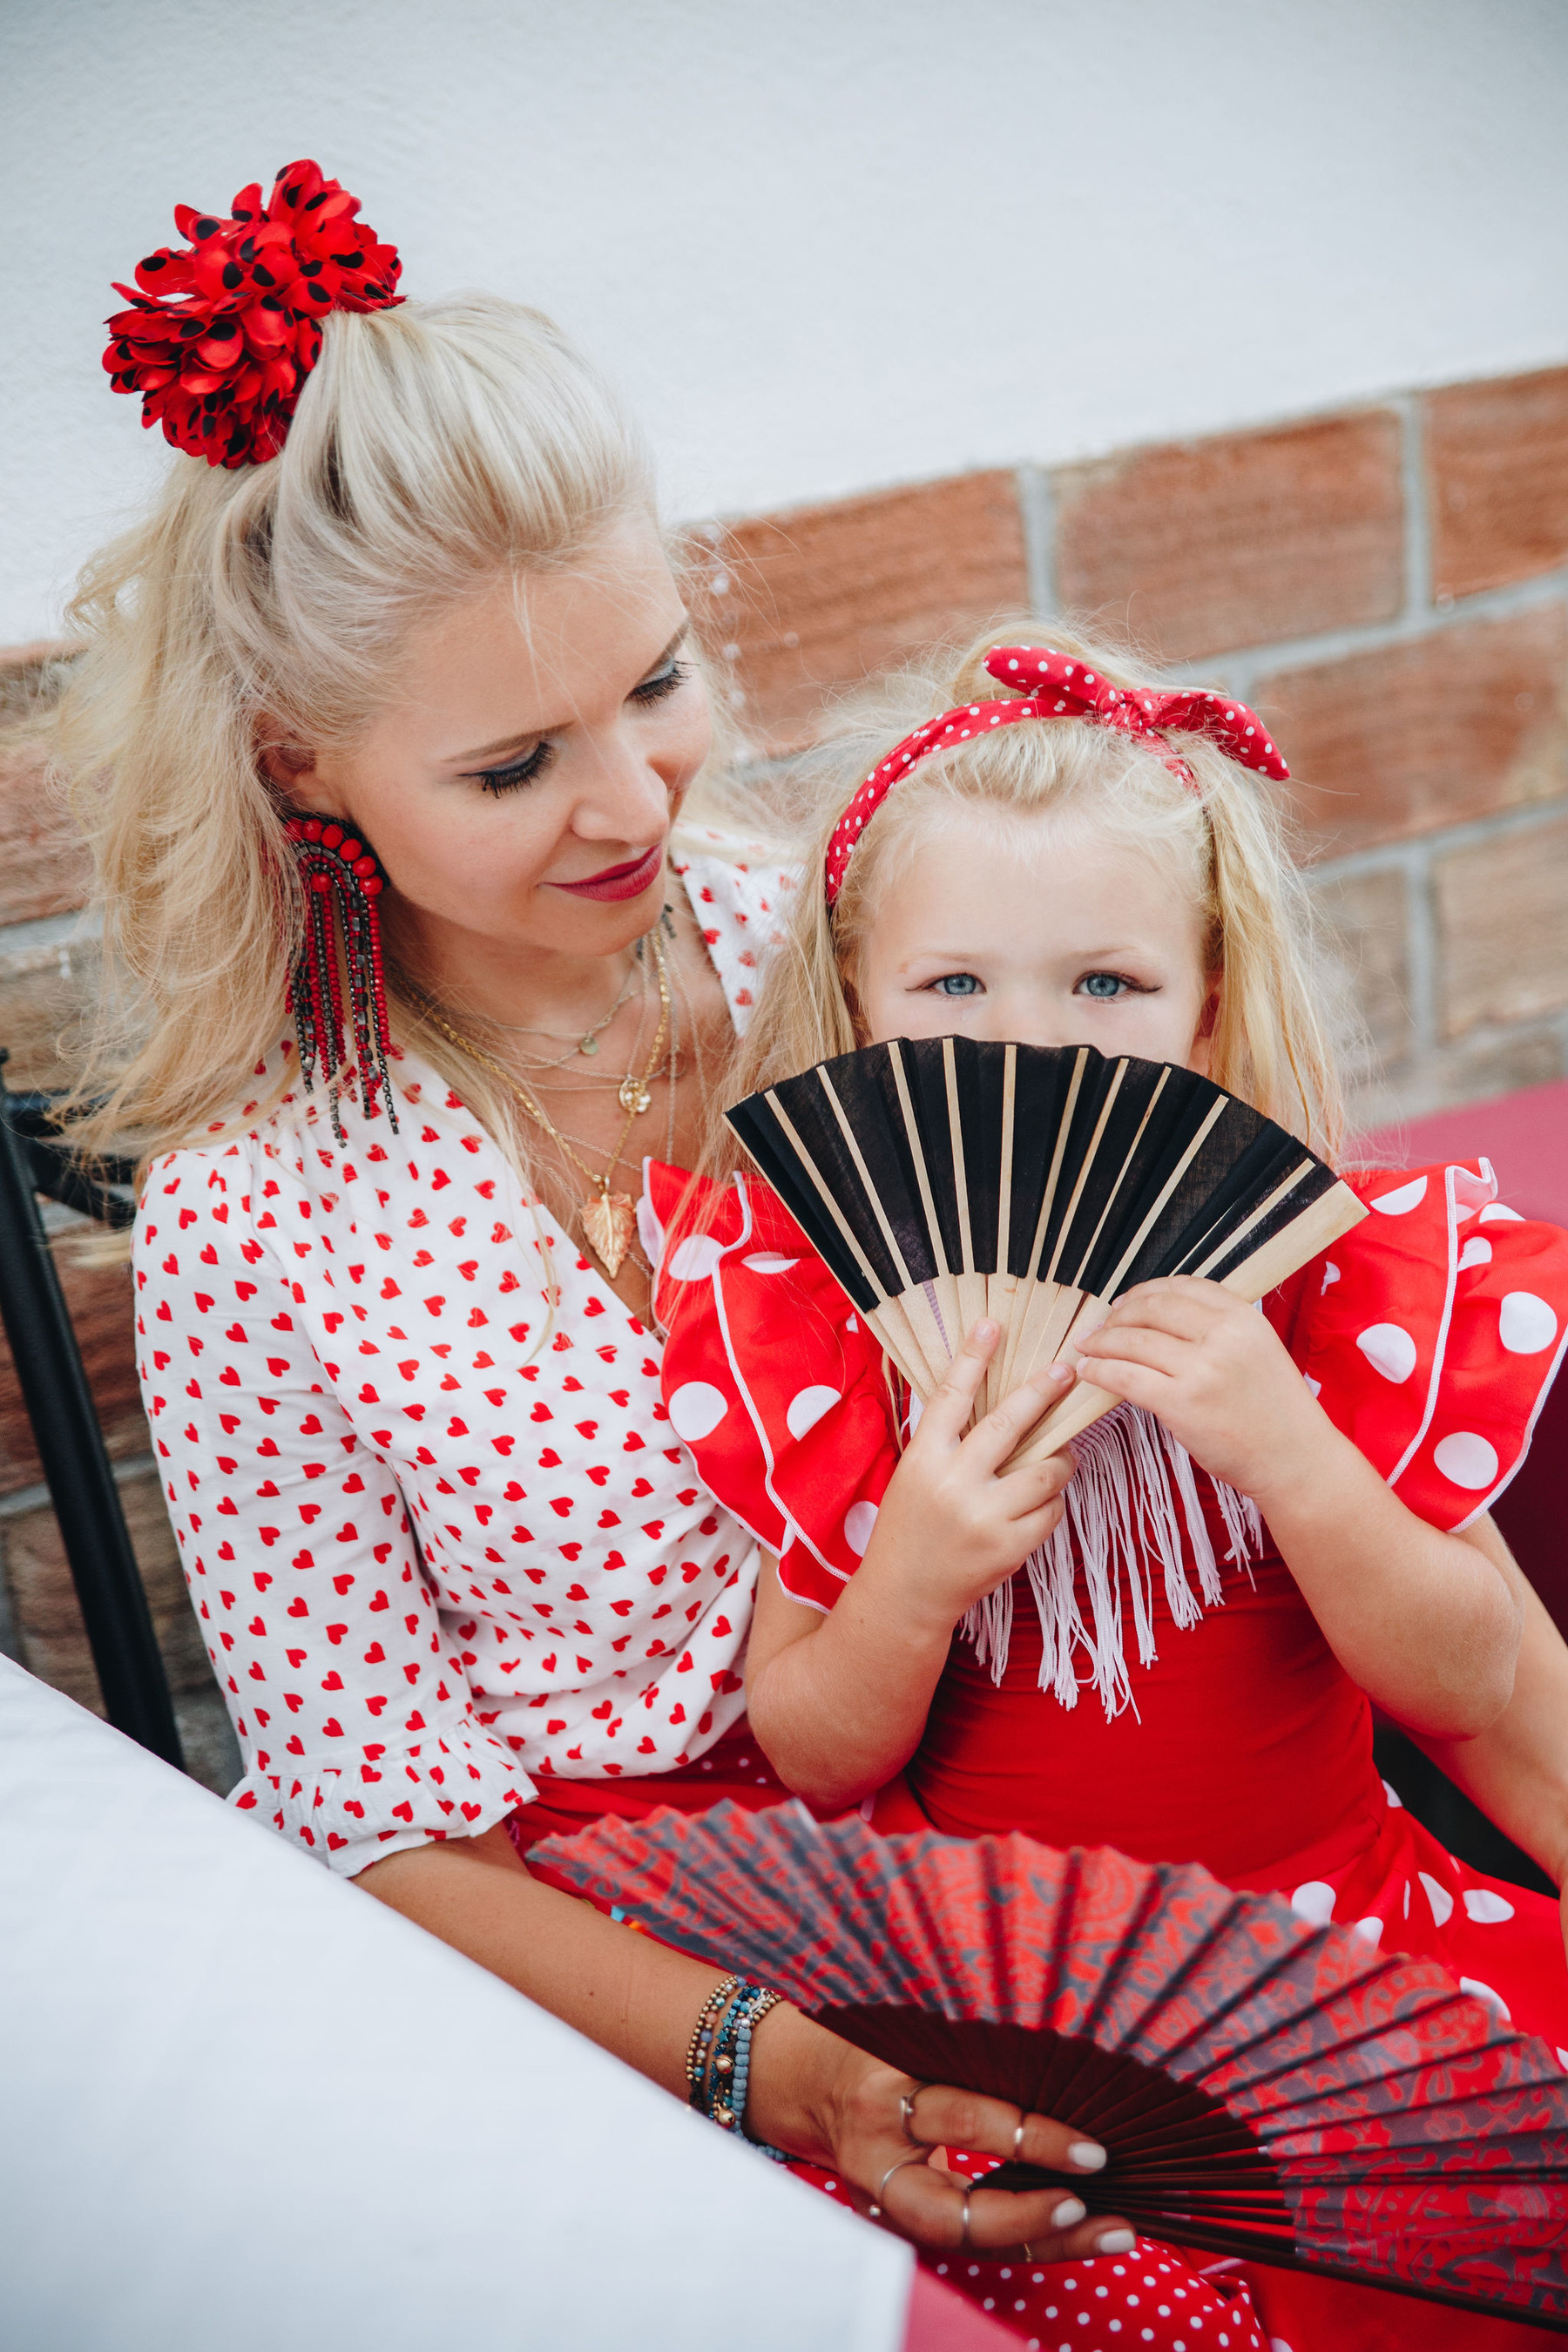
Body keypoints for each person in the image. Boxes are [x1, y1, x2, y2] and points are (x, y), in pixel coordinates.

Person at [47, 160, 1140, 2268]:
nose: (635, 800)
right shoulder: (256, 1211)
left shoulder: (832, 950)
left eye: (655, 684)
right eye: (514, 762)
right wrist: (778, 2060)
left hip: (992, 1789)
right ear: (301, 765)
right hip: (599, 1970)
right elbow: (375, 1834)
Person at [652, 626, 1568, 2348]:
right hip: (991, 2001)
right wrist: (915, 1569)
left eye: (1104, 988)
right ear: (854, 997)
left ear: (1208, 996)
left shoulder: (1333, 1292)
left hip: (1329, 1947)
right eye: (953, 990)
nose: (1032, 1050)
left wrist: (1290, 1450)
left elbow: (1473, 1683)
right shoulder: (840, 1322)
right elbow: (819, 1752)